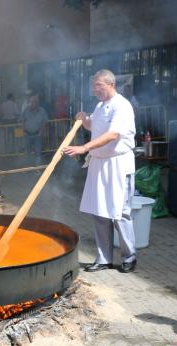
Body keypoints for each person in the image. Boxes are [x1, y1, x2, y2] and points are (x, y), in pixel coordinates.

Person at [64, 69, 137, 273]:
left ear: (111, 84)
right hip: (99, 164)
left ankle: (129, 256)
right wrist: (84, 119)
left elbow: (113, 134)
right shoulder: (100, 105)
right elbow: (94, 126)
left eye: (99, 86)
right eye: (94, 86)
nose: (95, 90)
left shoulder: (121, 106)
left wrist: (84, 148)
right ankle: (103, 258)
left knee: (120, 213)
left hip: (118, 164)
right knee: (100, 213)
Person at [21, 94, 48, 166]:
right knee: (27, 152)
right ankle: (28, 167)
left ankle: (37, 168)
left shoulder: (42, 110)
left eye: (34, 102)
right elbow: (22, 120)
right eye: (31, 102)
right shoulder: (26, 110)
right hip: (27, 135)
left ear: (37, 103)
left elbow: (44, 122)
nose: (32, 103)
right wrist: (23, 131)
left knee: (38, 153)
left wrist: (40, 132)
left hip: (37, 135)